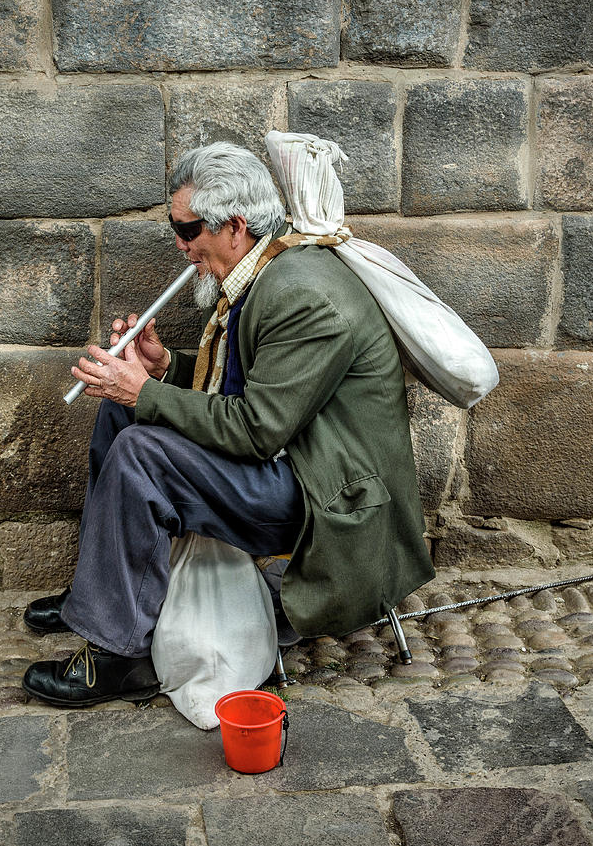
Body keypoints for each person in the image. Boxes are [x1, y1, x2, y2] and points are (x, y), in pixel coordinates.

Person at [22, 142, 434, 708]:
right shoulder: (263, 271)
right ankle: (103, 591)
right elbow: (247, 385)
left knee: (143, 449)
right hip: (286, 464)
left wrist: (147, 393)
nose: (180, 245)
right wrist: (163, 368)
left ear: (235, 225)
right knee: (121, 409)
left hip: (325, 500)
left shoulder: (302, 295)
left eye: (188, 230)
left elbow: (257, 429)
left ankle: (121, 655)